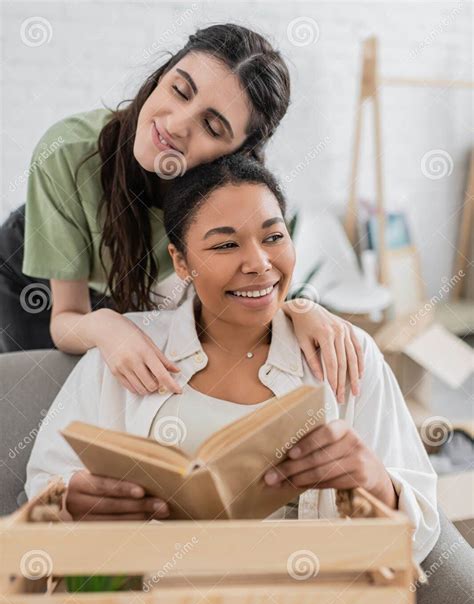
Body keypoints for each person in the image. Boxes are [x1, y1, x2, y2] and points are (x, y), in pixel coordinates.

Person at [25, 153, 440, 568]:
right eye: (225, 244)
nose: (259, 264)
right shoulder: (123, 350)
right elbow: (43, 485)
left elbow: (421, 532)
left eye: (274, 237)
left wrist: (375, 482)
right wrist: (66, 502)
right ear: (181, 261)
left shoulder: (344, 353)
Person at [0, 23, 362, 402]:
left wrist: (299, 310)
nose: (174, 125)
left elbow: (252, 271)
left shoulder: (222, 190)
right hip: (32, 280)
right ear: (161, 76)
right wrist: (107, 326)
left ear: (237, 153)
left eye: (211, 125)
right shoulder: (67, 153)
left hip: (114, 287)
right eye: (179, 90)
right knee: (38, 398)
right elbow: (66, 318)